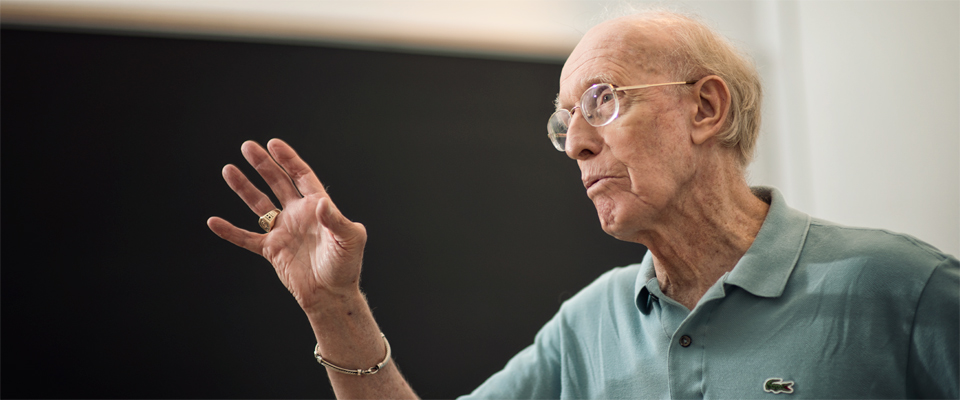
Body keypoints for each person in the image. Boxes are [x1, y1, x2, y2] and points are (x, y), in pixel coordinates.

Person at [207, 10, 959, 399]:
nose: (575, 145)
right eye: (564, 122)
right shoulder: (587, 327)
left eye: (602, 101)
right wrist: (335, 308)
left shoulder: (905, 290)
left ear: (705, 109)